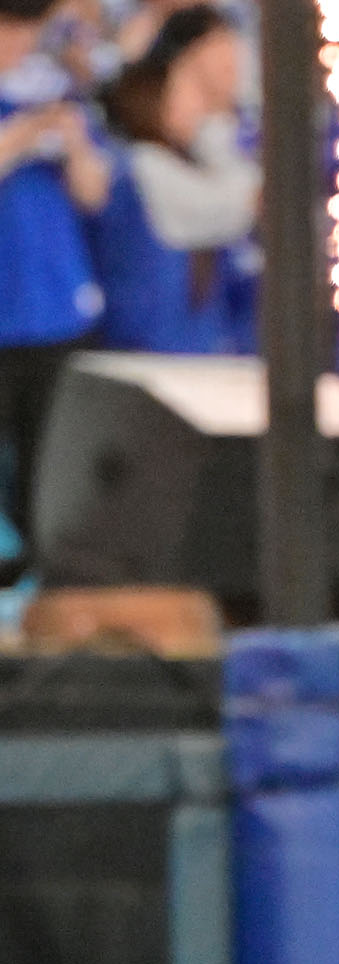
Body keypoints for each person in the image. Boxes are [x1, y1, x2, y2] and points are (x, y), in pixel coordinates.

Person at [0, 0, 111, 567]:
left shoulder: (57, 95)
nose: (17, 43)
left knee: (50, 463)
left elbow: (94, 193)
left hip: (56, 310)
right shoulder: (25, 110)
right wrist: (25, 131)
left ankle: (42, 576)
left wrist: (71, 139)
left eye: (25, 30)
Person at [89, 4, 258, 353]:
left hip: (204, 349)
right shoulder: (140, 163)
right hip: (148, 352)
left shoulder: (200, 154)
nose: (235, 73)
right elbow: (237, 203)